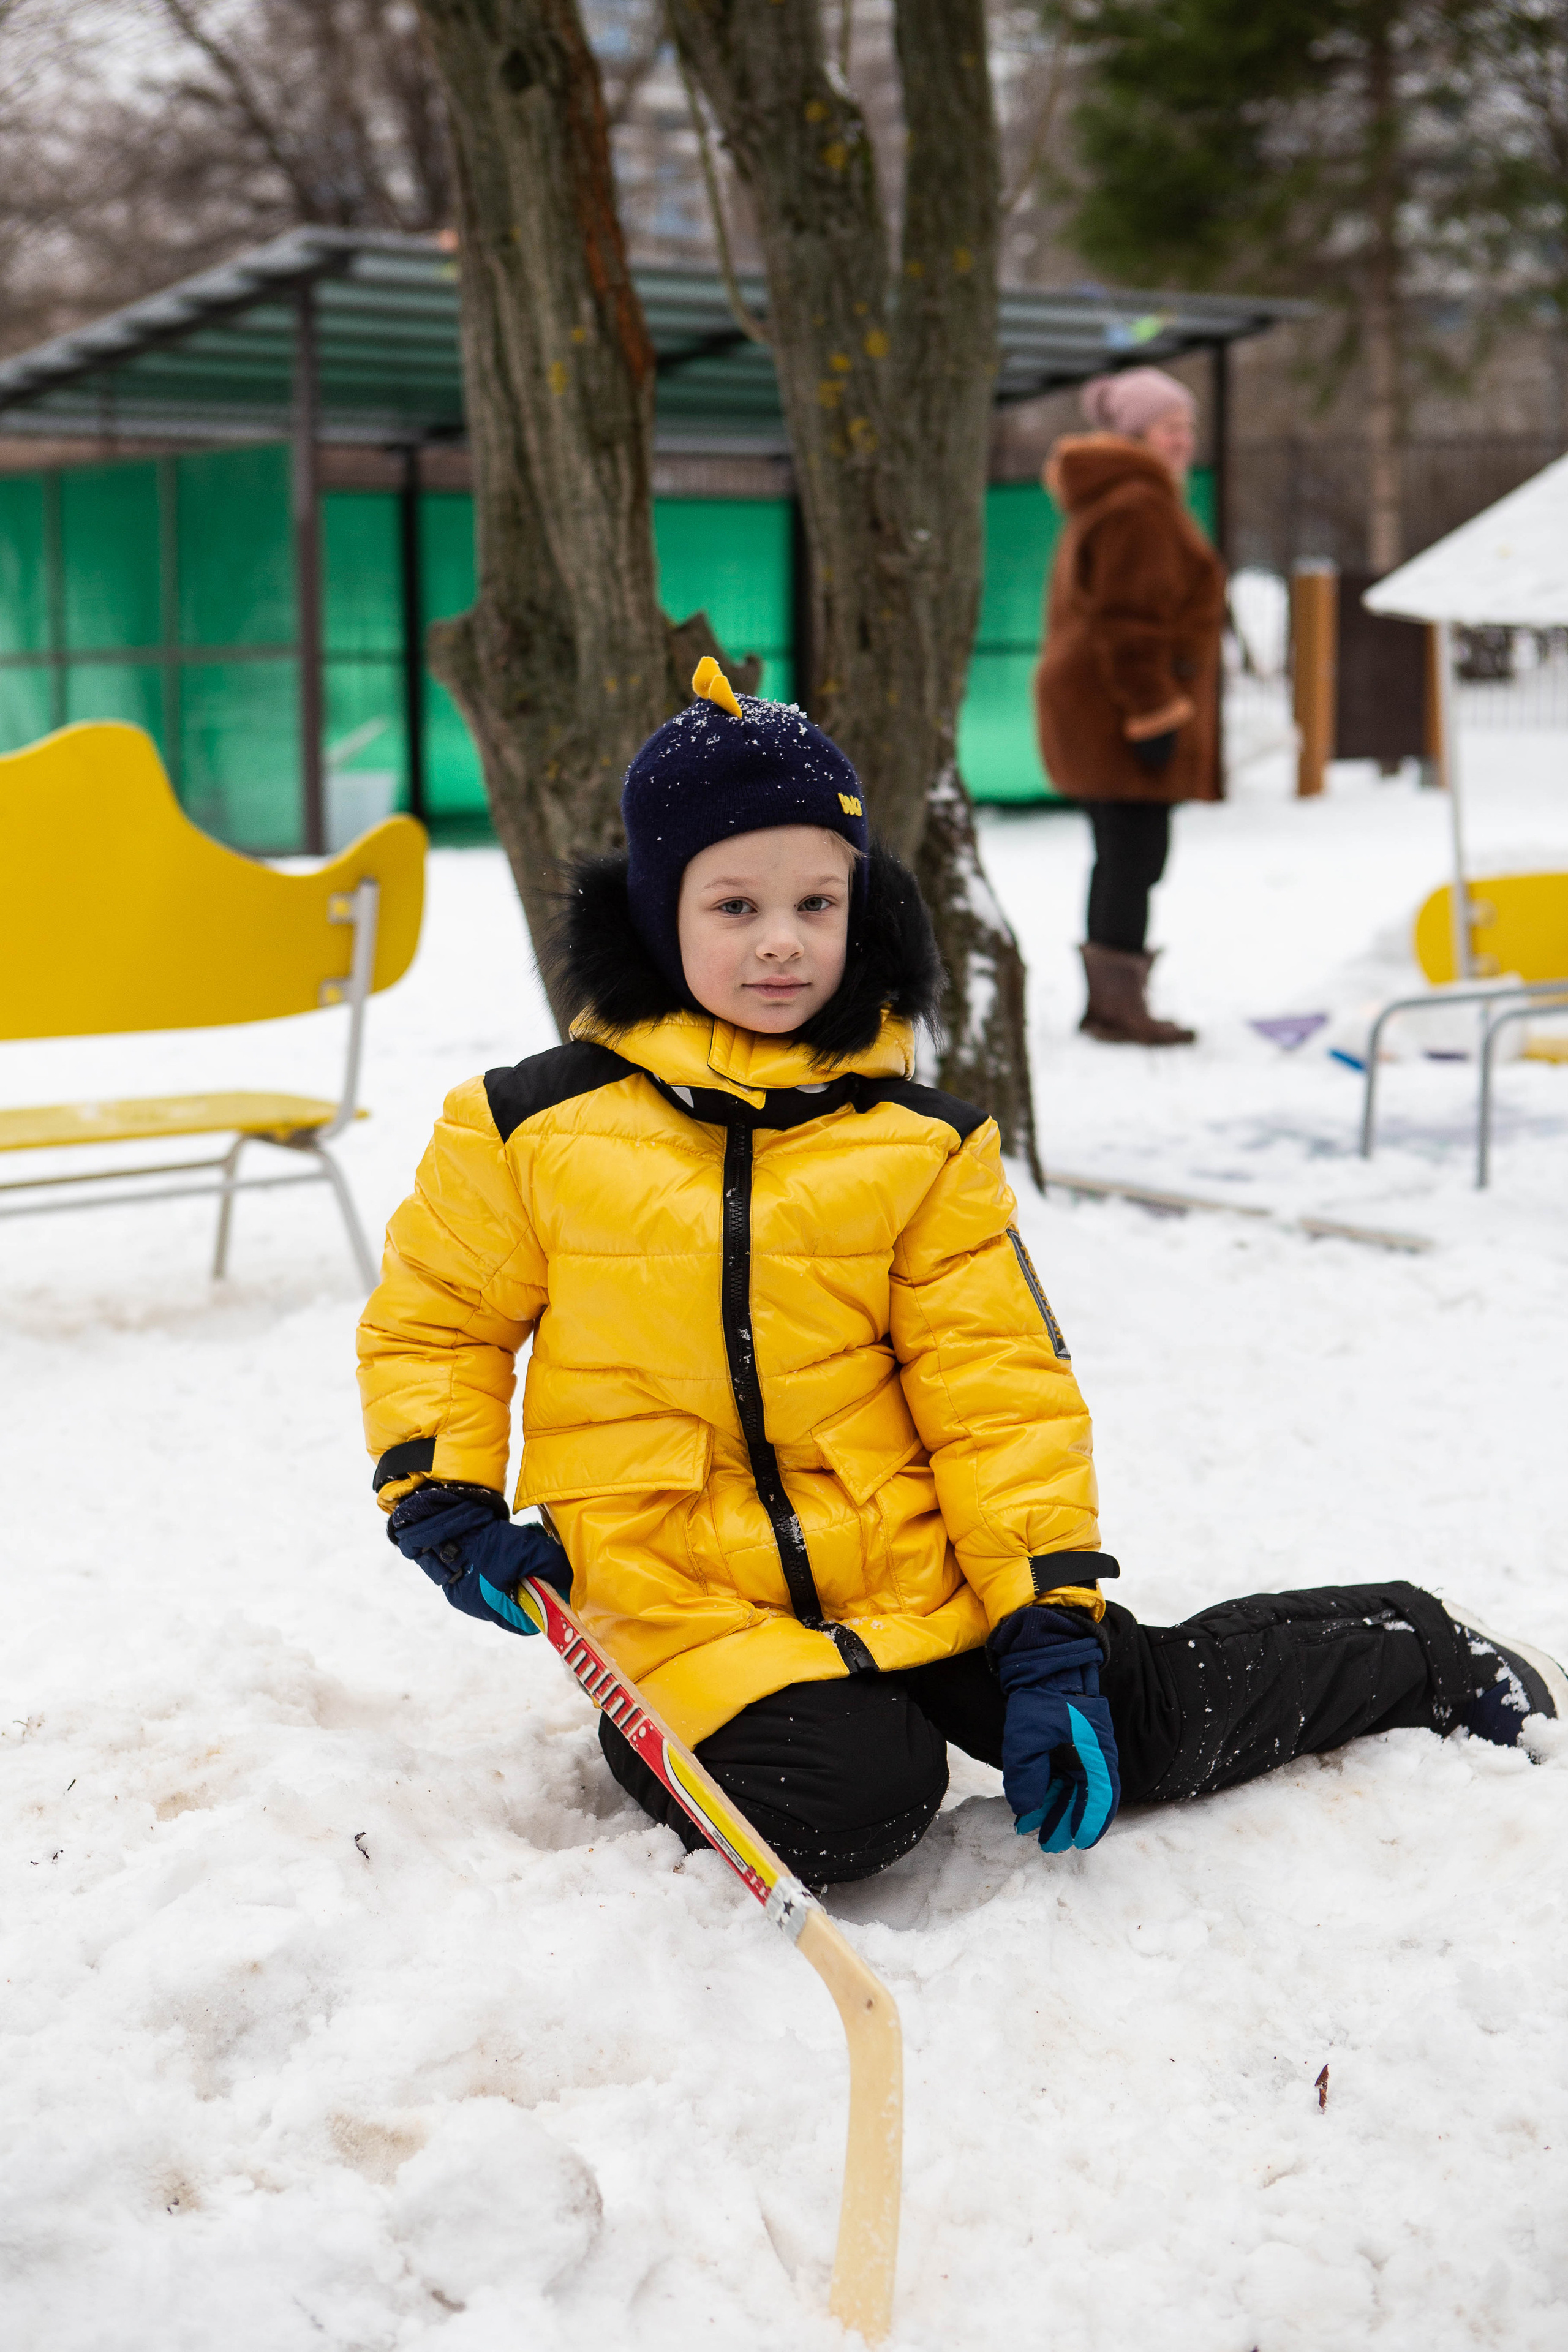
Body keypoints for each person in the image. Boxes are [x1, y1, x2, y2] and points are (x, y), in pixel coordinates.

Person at [356, 665, 1564, 1888]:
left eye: (816, 903)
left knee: (1129, 1721)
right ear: (658, 914)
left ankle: (1410, 1647)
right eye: (733, 906)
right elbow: (437, 1322)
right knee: (840, 1804)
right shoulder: (524, 1125)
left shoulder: (918, 1144)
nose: (782, 941)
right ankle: (700, 1726)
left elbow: (997, 1391)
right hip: (681, 1593)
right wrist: (441, 1496)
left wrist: (1044, 1636)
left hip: (911, 1561)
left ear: (858, 908)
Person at [1034, 365, 1227, 1046]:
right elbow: (1128, 621)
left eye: (1186, 428)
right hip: (1120, 713)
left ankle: (1112, 1002)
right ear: (1134, 435)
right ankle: (1117, 1008)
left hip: (1100, 709)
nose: (1182, 441)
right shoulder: (1137, 505)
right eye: (1168, 428)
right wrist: (1153, 711)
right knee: (1132, 856)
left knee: (1123, 855)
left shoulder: (1120, 499)